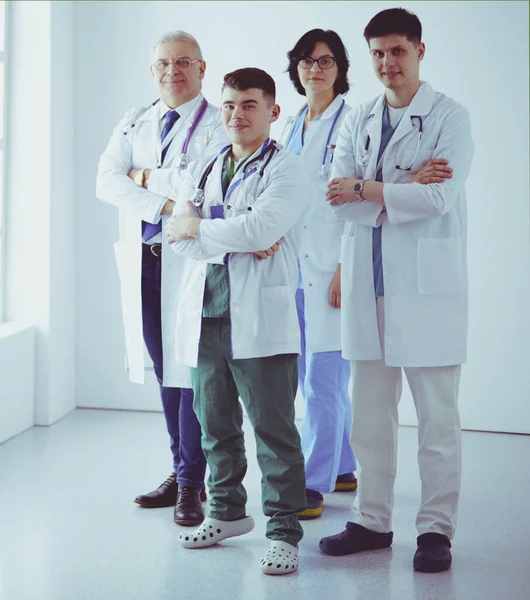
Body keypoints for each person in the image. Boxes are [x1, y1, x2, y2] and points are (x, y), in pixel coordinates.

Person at [319, 8, 474, 574]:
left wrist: (367, 187)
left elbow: (439, 199)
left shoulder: (450, 118)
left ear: (420, 51)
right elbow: (337, 196)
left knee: (437, 419)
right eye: (378, 53)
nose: (388, 63)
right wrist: (392, 188)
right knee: (368, 416)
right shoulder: (358, 116)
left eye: (398, 51)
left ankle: (435, 530)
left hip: (426, 291)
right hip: (368, 283)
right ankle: (371, 520)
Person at [164, 68, 308, 575]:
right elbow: (174, 236)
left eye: (249, 104)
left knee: (273, 427)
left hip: (259, 315)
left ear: (273, 111)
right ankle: (226, 513)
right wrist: (231, 233)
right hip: (206, 313)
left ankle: (285, 530)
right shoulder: (206, 164)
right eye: (228, 105)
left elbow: (262, 227)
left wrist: (202, 226)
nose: (236, 114)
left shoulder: (288, 169)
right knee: (214, 421)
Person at [96, 31, 229, 526]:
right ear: (152, 71)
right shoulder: (135, 120)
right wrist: (167, 198)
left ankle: (193, 482)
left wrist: (144, 177)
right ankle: (180, 468)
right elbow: (106, 180)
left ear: (201, 67)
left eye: (183, 62)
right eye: (162, 64)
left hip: (190, 261)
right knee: (161, 364)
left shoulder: (219, 122)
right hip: (146, 258)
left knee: (189, 366)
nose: (172, 71)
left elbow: (201, 183)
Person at [281, 29, 357, 520]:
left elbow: (360, 202)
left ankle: (311, 483)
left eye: (325, 61)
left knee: (322, 381)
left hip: (333, 267)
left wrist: (344, 270)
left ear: (340, 68)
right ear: (296, 68)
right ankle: (345, 466)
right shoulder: (291, 122)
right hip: (295, 268)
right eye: (307, 61)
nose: (315, 69)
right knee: (313, 374)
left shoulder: (354, 121)